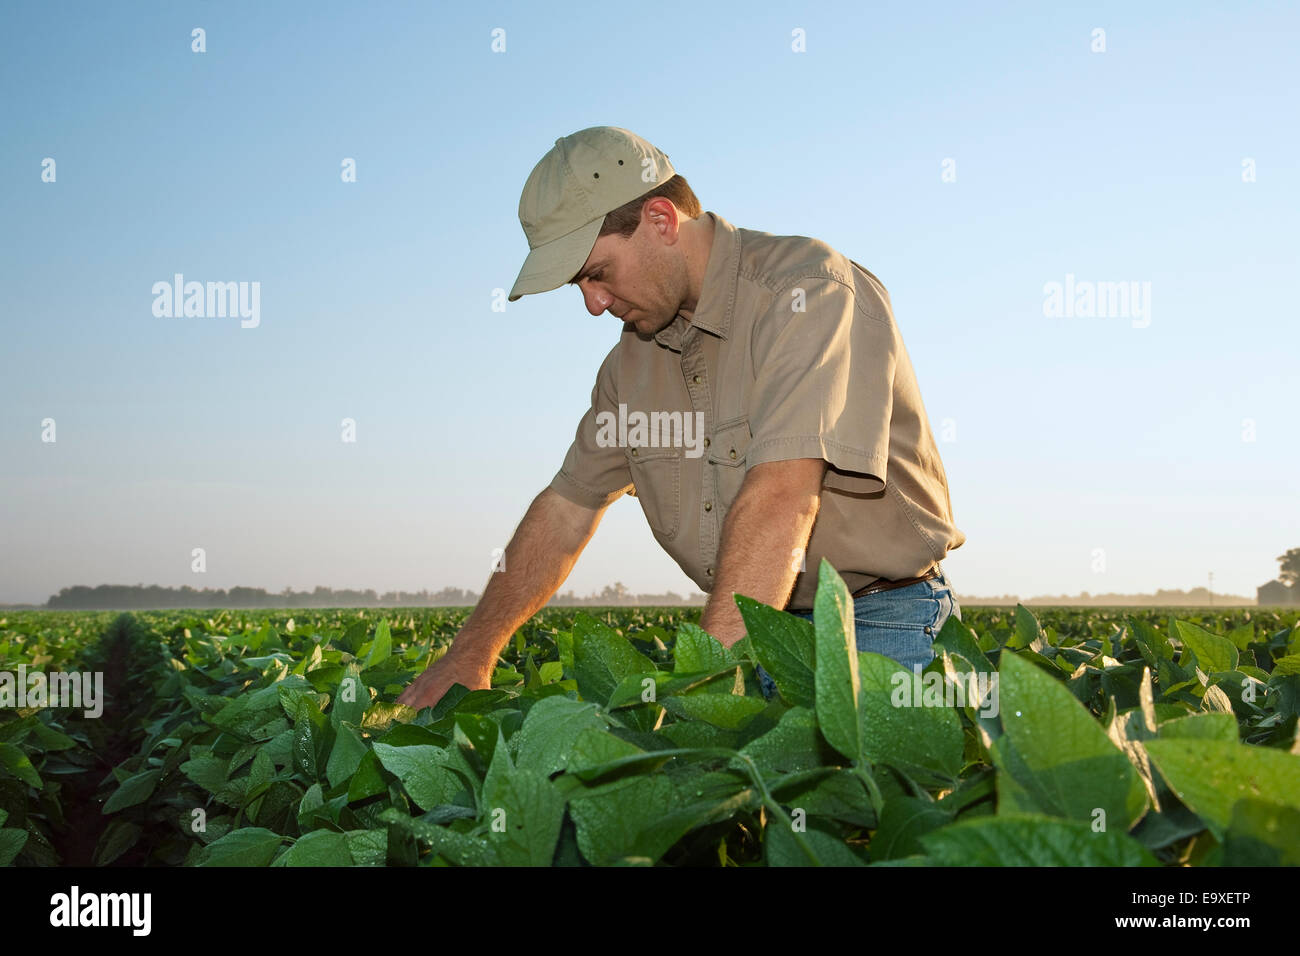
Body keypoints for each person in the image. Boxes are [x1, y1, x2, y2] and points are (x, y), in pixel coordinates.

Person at [397, 126, 965, 710]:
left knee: (852, 800)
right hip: (751, 631)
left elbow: (782, 496)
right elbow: (566, 509)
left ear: (661, 220)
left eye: (596, 274)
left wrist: (702, 689)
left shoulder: (805, 291)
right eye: (579, 286)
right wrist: (472, 652)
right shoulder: (629, 365)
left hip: (876, 624)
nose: (593, 304)